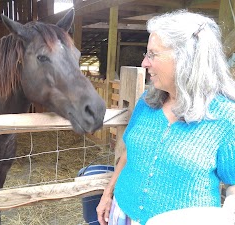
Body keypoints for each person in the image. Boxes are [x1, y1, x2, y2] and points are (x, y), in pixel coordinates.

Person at [96, 9, 235, 225]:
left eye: (153, 54)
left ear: (186, 58)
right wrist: (108, 194)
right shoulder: (147, 101)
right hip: (122, 213)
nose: (144, 63)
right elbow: (127, 153)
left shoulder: (225, 117)